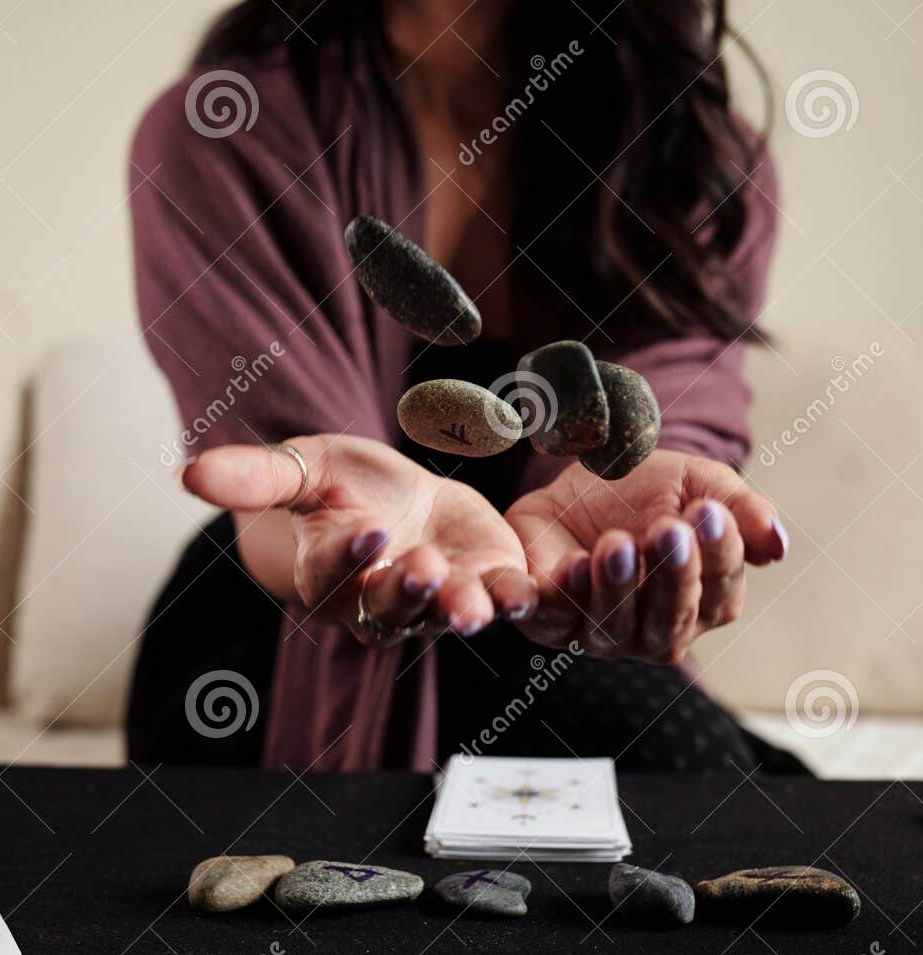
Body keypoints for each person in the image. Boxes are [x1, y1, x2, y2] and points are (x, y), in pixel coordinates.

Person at [127, 0, 798, 775]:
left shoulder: (688, 152)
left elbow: (666, 398)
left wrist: (629, 492)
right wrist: (352, 530)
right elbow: (286, 489)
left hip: (554, 594)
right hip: (277, 626)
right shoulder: (220, 131)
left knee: (709, 789)